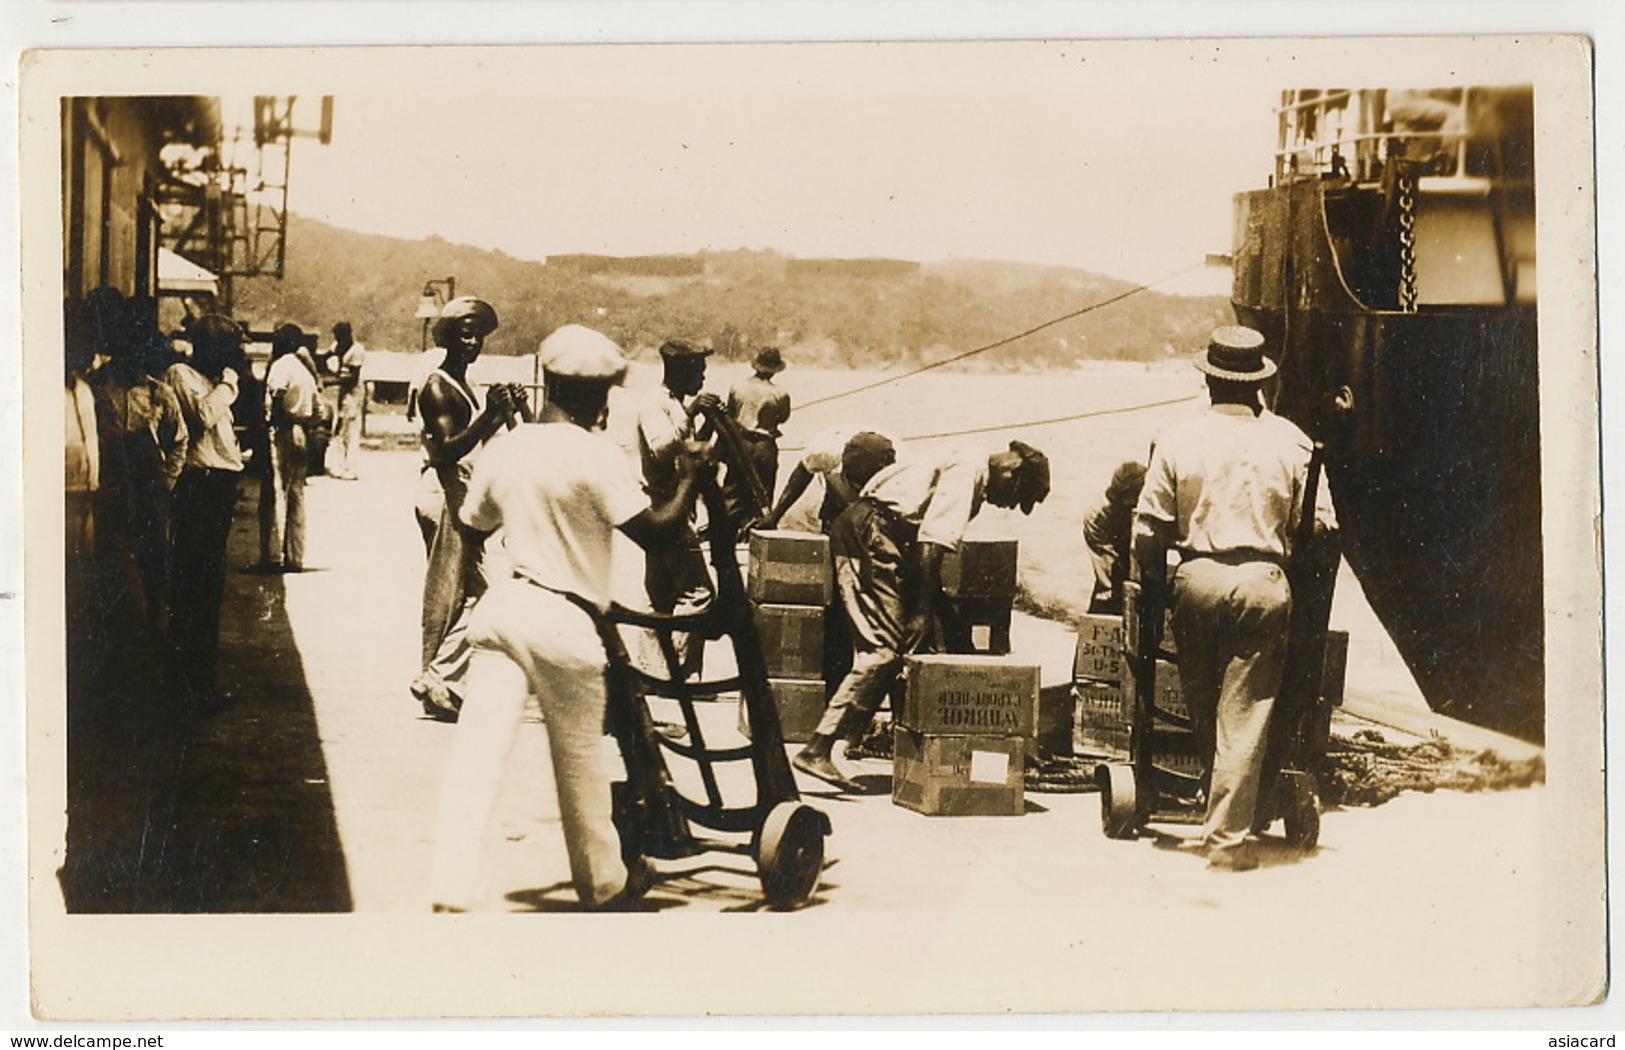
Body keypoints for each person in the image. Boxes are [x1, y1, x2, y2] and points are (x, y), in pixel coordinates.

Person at [428, 325, 707, 912]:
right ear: (599, 394)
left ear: (550, 381)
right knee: (579, 765)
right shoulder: (596, 455)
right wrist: (690, 476)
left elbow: (474, 525)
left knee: (477, 758)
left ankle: (450, 886)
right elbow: (656, 533)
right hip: (567, 621)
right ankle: (604, 884)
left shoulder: (509, 447)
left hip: (503, 613)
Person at [1130, 326, 1337, 872]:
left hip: (1196, 578)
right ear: (1260, 383)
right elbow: (1319, 531)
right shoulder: (1293, 440)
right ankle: (1226, 839)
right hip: (1261, 580)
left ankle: (1218, 811)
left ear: (1209, 378)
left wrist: (1156, 593)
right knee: (1244, 712)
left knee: (1205, 705)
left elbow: (1149, 530)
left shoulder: (1177, 437)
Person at [791, 439, 1051, 790]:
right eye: (1015, 496)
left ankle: (850, 742)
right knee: (883, 650)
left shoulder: (966, 455)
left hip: (872, 531)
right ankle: (818, 748)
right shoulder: (969, 474)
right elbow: (931, 545)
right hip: (872, 535)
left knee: (896, 648)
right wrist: (921, 614)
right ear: (1013, 471)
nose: (1005, 505)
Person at [412, 296, 528, 720]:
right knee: (462, 593)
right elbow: (446, 451)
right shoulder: (440, 386)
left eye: (478, 336)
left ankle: (438, 678)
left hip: (458, 495)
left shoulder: (462, 384)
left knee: (477, 592)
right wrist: (491, 417)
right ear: (446, 338)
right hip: (444, 494)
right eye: (464, 335)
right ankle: (438, 677)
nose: (473, 343)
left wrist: (502, 412)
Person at [758, 424, 900, 697]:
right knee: (836, 599)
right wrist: (774, 516)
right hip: (836, 512)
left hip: (879, 514)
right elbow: (801, 473)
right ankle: (833, 677)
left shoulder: (901, 466)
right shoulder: (825, 447)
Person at [86, 290, 189, 645]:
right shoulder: (97, 389)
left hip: (149, 485)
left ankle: (155, 627)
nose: (132, 361)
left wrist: (167, 482)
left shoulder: (159, 393)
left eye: (137, 353)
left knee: (154, 557)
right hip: (111, 483)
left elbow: (178, 440)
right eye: (125, 352)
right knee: (111, 556)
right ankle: (114, 631)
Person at [163, 314, 247, 709]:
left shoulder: (211, 385)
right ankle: (186, 687)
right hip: (199, 490)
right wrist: (229, 385)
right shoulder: (182, 375)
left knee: (208, 590)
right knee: (193, 589)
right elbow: (200, 418)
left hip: (217, 490)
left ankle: (202, 684)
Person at [634, 339, 719, 677]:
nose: (703, 376)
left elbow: (690, 450)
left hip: (668, 507)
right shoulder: (655, 405)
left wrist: (708, 421)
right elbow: (662, 449)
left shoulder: (676, 406)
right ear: (681, 370)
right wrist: (694, 412)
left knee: (660, 594)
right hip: (665, 508)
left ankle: (652, 670)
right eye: (699, 369)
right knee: (699, 594)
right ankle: (678, 673)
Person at [260, 323, 321, 573]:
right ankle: (295, 557)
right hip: (301, 432)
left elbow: (276, 395)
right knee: (296, 494)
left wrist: (274, 423)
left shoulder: (281, 365)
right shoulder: (304, 371)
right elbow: (318, 410)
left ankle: (272, 557)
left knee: (275, 492)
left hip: (283, 431)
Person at [721, 346, 791, 527]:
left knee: (733, 491)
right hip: (764, 446)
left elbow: (730, 414)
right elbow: (783, 418)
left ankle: (727, 531)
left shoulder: (737, 387)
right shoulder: (780, 393)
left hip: (739, 443)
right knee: (762, 494)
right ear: (775, 369)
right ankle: (754, 533)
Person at [1082, 458, 1148, 615]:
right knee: (1109, 588)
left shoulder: (1147, 498)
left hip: (1133, 526)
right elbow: (1107, 564)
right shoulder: (1098, 514)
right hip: (1105, 530)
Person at [328, 321, 366, 480]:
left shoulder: (357, 350)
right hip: (343, 392)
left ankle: (350, 468)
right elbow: (325, 357)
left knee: (351, 429)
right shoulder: (337, 346)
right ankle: (340, 465)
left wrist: (331, 381)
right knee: (339, 428)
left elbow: (353, 377)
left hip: (353, 392)